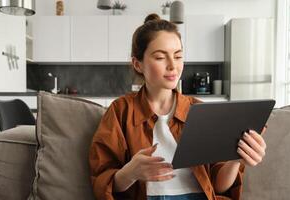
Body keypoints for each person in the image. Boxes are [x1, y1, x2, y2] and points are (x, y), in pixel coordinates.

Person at [89, 13, 267, 200]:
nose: (173, 66)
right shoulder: (120, 111)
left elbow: (218, 187)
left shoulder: (201, 112)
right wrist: (130, 173)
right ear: (138, 64)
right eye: (160, 57)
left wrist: (236, 159)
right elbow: (102, 182)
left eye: (178, 56)